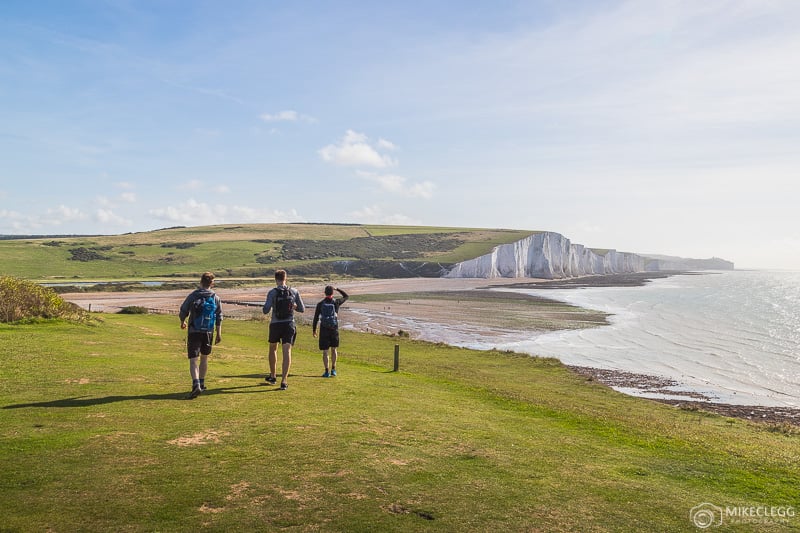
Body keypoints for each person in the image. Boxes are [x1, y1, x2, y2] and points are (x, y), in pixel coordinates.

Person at [179, 272, 222, 399]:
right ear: (212, 283)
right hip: (208, 331)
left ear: (201, 282)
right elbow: (219, 316)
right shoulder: (215, 297)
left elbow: (183, 310)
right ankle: (202, 383)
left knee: (193, 359)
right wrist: (219, 333)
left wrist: (182, 321)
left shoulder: (193, 295)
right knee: (204, 358)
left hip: (194, 330)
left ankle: (196, 383)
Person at [262, 269, 305, 390]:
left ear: (276, 279)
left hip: (275, 324)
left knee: (273, 349)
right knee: (287, 351)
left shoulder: (272, 292)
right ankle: (284, 380)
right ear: (286, 278)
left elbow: (265, 310)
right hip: (289, 324)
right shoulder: (294, 291)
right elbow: (302, 309)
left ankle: (273, 375)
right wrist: (294, 307)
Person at [312, 285, 349, 377]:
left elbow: (316, 318)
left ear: (325, 293)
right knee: (334, 349)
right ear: (332, 293)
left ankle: (326, 371)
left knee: (325, 351)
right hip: (334, 329)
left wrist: (314, 330)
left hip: (324, 329)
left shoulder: (320, 304)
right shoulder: (336, 302)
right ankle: (333, 369)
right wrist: (337, 289)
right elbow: (346, 296)